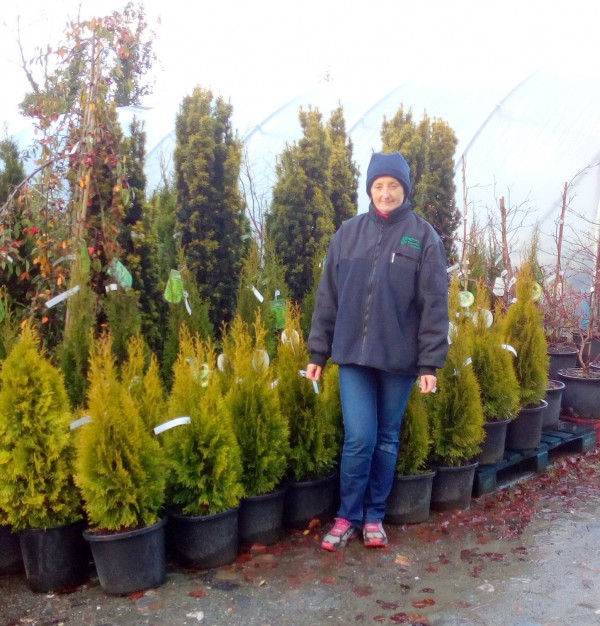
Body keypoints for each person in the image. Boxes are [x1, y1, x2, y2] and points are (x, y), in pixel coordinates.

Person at [306, 151, 449, 551]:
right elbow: (327, 298)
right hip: (352, 355)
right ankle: (346, 516)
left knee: (386, 438)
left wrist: (429, 363)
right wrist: (318, 353)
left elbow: (434, 304)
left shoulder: (423, 238)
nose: (386, 193)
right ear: (369, 189)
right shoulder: (348, 234)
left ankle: (374, 516)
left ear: (405, 189)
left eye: (393, 186)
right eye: (378, 186)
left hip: (399, 361)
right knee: (359, 438)